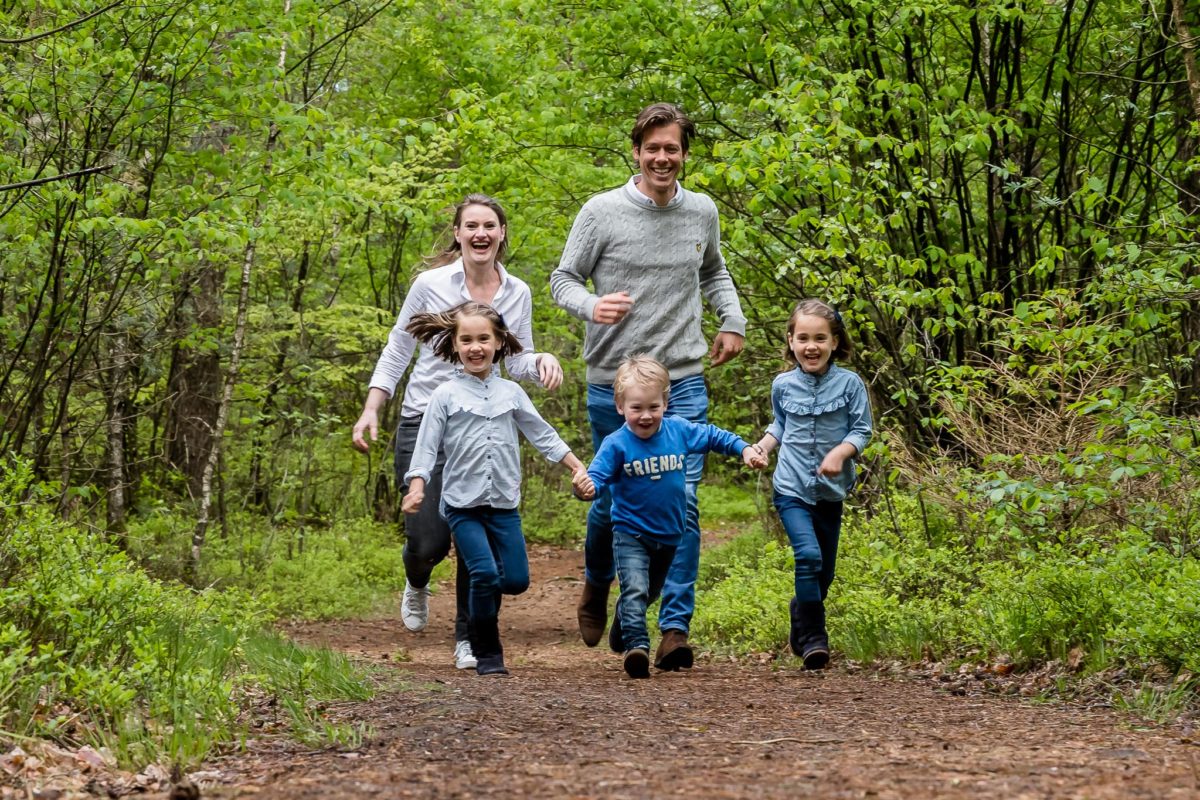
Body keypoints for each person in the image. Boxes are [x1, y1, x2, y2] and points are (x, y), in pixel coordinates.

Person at [550, 102, 748, 670]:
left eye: (673, 149)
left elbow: (714, 270)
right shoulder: (601, 211)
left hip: (681, 378)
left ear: (685, 154)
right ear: (636, 152)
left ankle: (674, 629)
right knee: (612, 497)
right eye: (652, 148)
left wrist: (730, 320)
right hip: (614, 381)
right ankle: (596, 582)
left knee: (682, 501)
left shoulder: (702, 211)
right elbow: (563, 279)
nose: (663, 158)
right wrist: (592, 304)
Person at [352, 194, 564, 671]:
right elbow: (398, 348)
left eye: (490, 225)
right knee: (428, 542)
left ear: (502, 233)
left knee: (478, 538)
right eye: (471, 226)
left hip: (483, 424)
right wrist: (372, 408)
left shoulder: (518, 292)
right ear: (458, 233)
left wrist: (542, 360)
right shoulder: (430, 284)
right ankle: (417, 579)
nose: (480, 234)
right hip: (424, 418)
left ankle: (470, 637)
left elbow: (517, 358)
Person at [401, 302, 593, 676]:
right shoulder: (445, 395)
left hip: (504, 504)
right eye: (467, 339)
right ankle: (484, 651)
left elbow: (542, 434)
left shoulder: (511, 393)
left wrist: (575, 465)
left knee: (516, 581)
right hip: (462, 505)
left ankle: (479, 624)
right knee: (484, 575)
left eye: (483, 339)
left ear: (499, 342)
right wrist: (418, 486)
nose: (476, 347)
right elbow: (426, 446)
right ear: (454, 345)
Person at [581, 356, 765, 677]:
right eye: (636, 408)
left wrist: (745, 449)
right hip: (629, 533)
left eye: (654, 406)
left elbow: (713, 436)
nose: (646, 415)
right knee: (635, 589)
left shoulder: (678, 431)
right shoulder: (616, 444)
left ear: (666, 403)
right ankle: (637, 647)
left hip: (668, 535)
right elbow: (596, 479)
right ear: (620, 407)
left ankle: (624, 620)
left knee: (650, 592)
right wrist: (586, 488)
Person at [750, 299, 873, 669]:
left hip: (831, 492)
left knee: (825, 573)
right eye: (802, 338)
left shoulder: (850, 385)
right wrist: (762, 448)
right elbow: (780, 425)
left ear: (835, 342)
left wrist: (840, 453)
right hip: (791, 488)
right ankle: (816, 640)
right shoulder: (783, 385)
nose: (811, 346)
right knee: (807, 556)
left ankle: (801, 612)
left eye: (820, 338)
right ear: (790, 342)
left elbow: (862, 429)